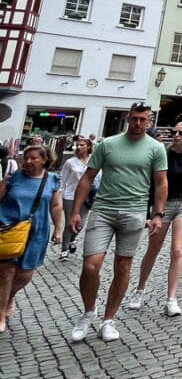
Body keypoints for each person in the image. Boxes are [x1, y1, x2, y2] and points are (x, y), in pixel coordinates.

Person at [68, 102, 167, 342]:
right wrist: (76, 211)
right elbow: (87, 177)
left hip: (134, 212)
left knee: (122, 266)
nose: (138, 124)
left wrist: (157, 214)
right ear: (128, 119)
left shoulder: (156, 148)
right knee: (91, 265)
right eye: (135, 119)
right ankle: (88, 312)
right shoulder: (107, 144)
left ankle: (108, 319)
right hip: (103, 209)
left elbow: (161, 182)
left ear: (149, 121)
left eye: (143, 120)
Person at [127, 121, 182, 317]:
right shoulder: (164, 154)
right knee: (153, 249)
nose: (176, 135)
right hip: (164, 205)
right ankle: (140, 289)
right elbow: (152, 185)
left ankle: (171, 299)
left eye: (180, 133)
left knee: (177, 250)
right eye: (174, 132)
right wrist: (149, 213)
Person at [0, 144, 62, 334]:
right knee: (6, 273)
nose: (27, 161)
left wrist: (58, 229)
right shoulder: (14, 177)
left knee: (25, 275)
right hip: (9, 227)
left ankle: (10, 295)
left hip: (36, 232)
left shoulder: (52, 179)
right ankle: (1, 313)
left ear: (44, 160)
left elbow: (56, 206)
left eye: (33, 158)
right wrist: (3, 184)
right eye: (25, 158)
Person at [58, 137, 96, 260]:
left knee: (81, 224)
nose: (78, 147)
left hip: (87, 196)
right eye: (77, 145)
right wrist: (59, 194)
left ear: (88, 147)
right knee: (70, 222)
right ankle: (64, 250)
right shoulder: (70, 162)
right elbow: (63, 180)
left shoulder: (94, 161)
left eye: (82, 145)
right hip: (70, 195)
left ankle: (72, 241)